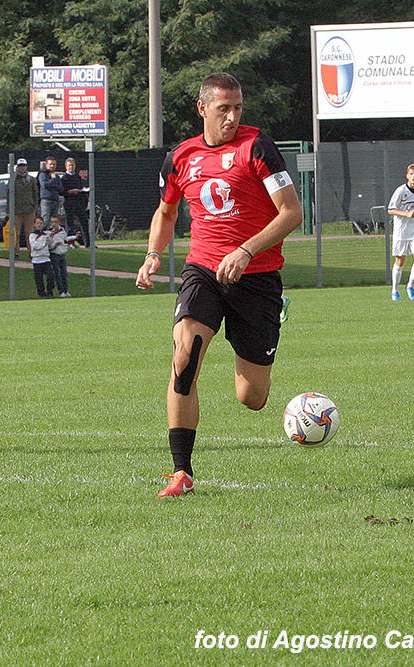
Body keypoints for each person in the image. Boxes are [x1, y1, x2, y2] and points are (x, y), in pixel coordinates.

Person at [135, 72, 302, 498]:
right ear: (202, 108)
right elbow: (167, 211)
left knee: (252, 398)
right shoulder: (181, 157)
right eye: (223, 108)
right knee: (185, 357)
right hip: (203, 271)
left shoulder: (258, 147)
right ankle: (181, 472)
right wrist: (154, 254)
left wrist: (245, 251)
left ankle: (264, 322)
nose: (232, 116)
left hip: (257, 278)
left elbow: (291, 213)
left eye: (238, 108)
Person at [387, 164, 414, 301]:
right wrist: (406, 214)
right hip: (401, 232)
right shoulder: (400, 191)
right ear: (407, 175)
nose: (413, 177)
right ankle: (395, 290)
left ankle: (410, 286)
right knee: (400, 260)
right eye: (411, 174)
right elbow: (391, 209)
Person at [11, 158, 39, 257]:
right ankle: (16, 252)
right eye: (20, 166)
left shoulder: (31, 179)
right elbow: (9, 195)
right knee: (16, 233)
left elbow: (36, 194)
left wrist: (35, 207)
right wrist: (9, 210)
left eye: (24, 166)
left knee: (29, 233)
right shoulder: (13, 179)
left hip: (29, 209)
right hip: (16, 210)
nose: (22, 168)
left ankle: (31, 252)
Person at [60, 157, 90, 247]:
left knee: (84, 222)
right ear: (66, 166)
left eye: (72, 165)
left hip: (79, 202)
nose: (71, 167)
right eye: (69, 165)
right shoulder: (64, 178)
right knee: (70, 223)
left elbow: (81, 188)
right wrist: (71, 191)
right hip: (69, 202)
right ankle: (71, 243)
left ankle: (87, 243)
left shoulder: (77, 177)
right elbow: (62, 192)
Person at [29, 215, 55, 297]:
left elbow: (51, 242)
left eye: (41, 223)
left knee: (51, 275)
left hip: (46, 258)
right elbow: (35, 246)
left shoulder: (46, 234)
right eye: (37, 223)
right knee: (39, 278)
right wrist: (44, 244)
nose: (39, 225)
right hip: (37, 259)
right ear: (34, 224)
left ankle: (50, 290)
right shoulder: (32, 235)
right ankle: (42, 293)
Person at [47, 215, 71, 297]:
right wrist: (54, 244)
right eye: (52, 222)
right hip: (54, 254)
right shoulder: (48, 232)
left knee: (64, 273)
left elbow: (66, 240)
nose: (54, 224)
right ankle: (61, 291)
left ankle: (66, 290)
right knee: (57, 273)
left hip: (62, 254)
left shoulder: (62, 231)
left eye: (56, 222)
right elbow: (48, 245)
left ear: (59, 223)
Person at [38, 156, 64, 223]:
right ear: (46, 165)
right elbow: (44, 185)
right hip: (46, 201)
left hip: (55, 201)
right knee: (45, 220)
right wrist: (53, 180)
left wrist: (53, 184)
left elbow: (60, 189)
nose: (52, 166)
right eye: (50, 164)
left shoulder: (57, 176)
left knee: (54, 222)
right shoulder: (43, 174)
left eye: (54, 164)